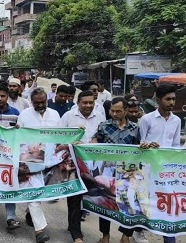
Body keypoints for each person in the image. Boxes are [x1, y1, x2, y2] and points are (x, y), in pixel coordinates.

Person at [90, 97, 144, 243]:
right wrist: (93, 142)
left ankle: (126, 235)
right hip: (107, 171)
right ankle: (105, 236)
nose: (114, 114)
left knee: (130, 204)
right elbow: (95, 143)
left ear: (125, 111)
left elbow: (139, 148)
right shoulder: (103, 126)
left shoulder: (135, 128)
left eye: (118, 111)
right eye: (112, 111)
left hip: (127, 172)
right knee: (106, 202)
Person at [14, 87, 61, 243]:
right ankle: (40, 231)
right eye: (37, 102)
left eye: (43, 102)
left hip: (51, 159)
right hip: (32, 157)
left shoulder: (54, 114)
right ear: (31, 102)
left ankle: (29, 212)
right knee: (34, 193)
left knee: (44, 191)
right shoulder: (24, 115)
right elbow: (17, 136)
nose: (40, 105)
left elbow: (60, 134)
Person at [60, 90, 106, 243]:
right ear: (78, 103)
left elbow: (102, 136)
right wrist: (70, 142)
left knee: (89, 196)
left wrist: (95, 141)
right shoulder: (68, 116)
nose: (88, 105)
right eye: (85, 102)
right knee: (74, 196)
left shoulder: (100, 117)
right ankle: (76, 234)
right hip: (72, 163)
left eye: (91, 102)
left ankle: (73, 222)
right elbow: (59, 138)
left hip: (92, 164)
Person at [139, 84, 179, 243]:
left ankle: (169, 238)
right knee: (146, 203)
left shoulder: (176, 121)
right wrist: (149, 146)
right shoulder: (146, 119)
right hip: (148, 169)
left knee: (167, 204)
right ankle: (138, 230)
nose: (171, 102)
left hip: (167, 170)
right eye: (168, 99)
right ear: (158, 100)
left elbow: (175, 146)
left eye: (173, 99)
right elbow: (140, 143)